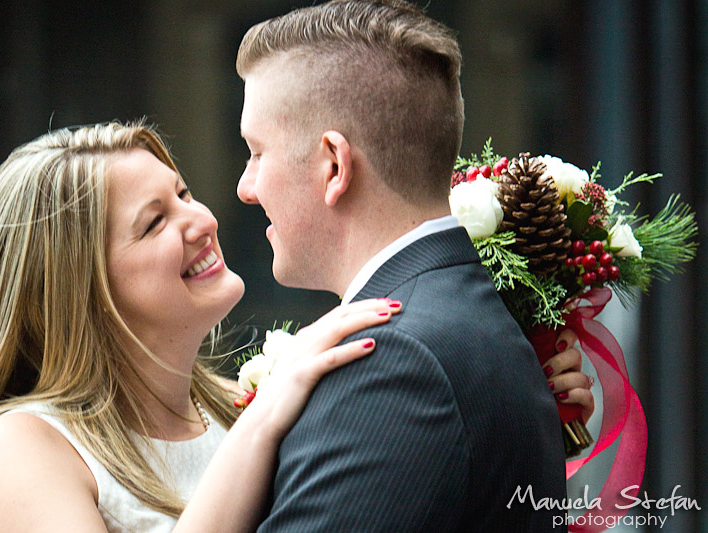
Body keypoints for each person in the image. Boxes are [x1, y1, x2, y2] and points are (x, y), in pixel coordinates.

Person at [0, 120, 591, 533]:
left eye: (183, 193)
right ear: (78, 290)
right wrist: (263, 420)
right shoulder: (19, 446)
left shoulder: (241, 405)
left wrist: (512, 391)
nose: (201, 220)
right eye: (153, 222)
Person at [235, 0, 586, 530]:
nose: (245, 187)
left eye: (257, 152)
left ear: (334, 165)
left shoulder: (391, 363)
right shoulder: (475, 317)